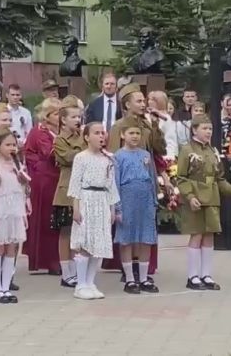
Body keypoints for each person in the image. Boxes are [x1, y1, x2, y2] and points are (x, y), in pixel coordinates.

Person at [176, 115, 231, 291]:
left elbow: (219, 178)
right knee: (197, 234)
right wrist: (190, 196)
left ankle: (206, 274)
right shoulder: (187, 150)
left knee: (209, 235)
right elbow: (181, 178)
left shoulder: (213, 151)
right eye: (204, 128)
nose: (208, 132)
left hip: (212, 197)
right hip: (196, 198)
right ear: (194, 130)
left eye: (210, 129)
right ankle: (192, 276)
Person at [105, 83, 166, 283]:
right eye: (139, 101)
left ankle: (144, 270)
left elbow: (159, 149)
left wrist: (155, 126)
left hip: (146, 180)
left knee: (145, 230)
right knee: (128, 230)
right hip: (127, 186)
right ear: (127, 104)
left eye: (144, 100)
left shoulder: (147, 124)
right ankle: (128, 271)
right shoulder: (119, 126)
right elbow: (114, 157)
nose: (143, 104)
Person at [68, 122, 118, 301]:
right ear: (87, 137)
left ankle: (90, 282)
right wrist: (76, 206)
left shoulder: (108, 159)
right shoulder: (81, 158)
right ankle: (80, 284)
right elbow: (75, 183)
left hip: (102, 201)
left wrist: (112, 208)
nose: (101, 136)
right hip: (86, 199)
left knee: (98, 243)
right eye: (96, 133)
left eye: (103, 133)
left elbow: (111, 185)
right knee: (85, 242)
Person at [0, 131, 30, 304]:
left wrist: (24, 209)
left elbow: (23, 189)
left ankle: (6, 287)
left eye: (14, 145)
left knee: (11, 248)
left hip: (15, 210)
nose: (12, 148)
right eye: (8, 145)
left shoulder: (18, 166)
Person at [113, 121, 159, 294]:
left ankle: (144, 277)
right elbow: (115, 182)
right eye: (131, 133)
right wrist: (117, 207)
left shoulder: (145, 155)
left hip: (145, 199)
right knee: (127, 238)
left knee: (145, 237)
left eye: (137, 134)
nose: (135, 136)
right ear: (123, 135)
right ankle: (130, 278)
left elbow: (152, 178)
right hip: (127, 198)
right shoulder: (118, 156)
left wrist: (154, 200)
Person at [23, 98, 62, 275]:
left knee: (58, 219)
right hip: (45, 178)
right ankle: (49, 260)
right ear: (47, 116)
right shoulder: (40, 132)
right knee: (47, 218)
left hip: (58, 176)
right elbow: (50, 153)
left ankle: (61, 257)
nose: (59, 116)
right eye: (56, 113)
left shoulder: (61, 130)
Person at [52, 102, 85, 288]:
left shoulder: (81, 137)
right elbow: (69, 157)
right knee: (66, 232)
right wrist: (83, 144)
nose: (77, 120)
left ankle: (75, 270)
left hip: (82, 190)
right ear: (63, 120)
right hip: (66, 190)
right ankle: (66, 272)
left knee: (77, 233)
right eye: (73, 117)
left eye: (79, 117)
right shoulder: (60, 139)